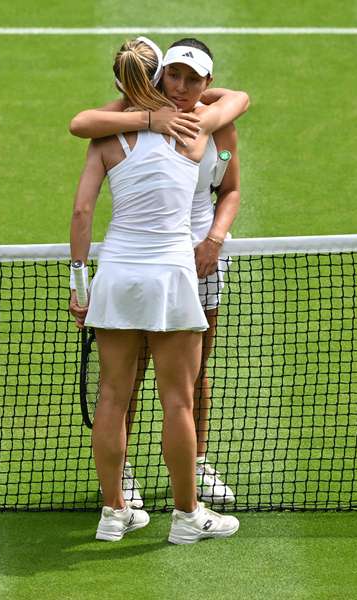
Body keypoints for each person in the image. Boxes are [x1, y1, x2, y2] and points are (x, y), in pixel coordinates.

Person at [68, 36, 248, 544]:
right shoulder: (197, 132)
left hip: (117, 274)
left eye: (193, 79)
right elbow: (233, 107)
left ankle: (113, 513)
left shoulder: (105, 138)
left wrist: (80, 285)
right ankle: (188, 517)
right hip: (172, 276)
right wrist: (152, 118)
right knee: (178, 400)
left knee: (110, 396)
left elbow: (82, 210)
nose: (183, 87)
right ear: (157, 78)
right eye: (172, 76)